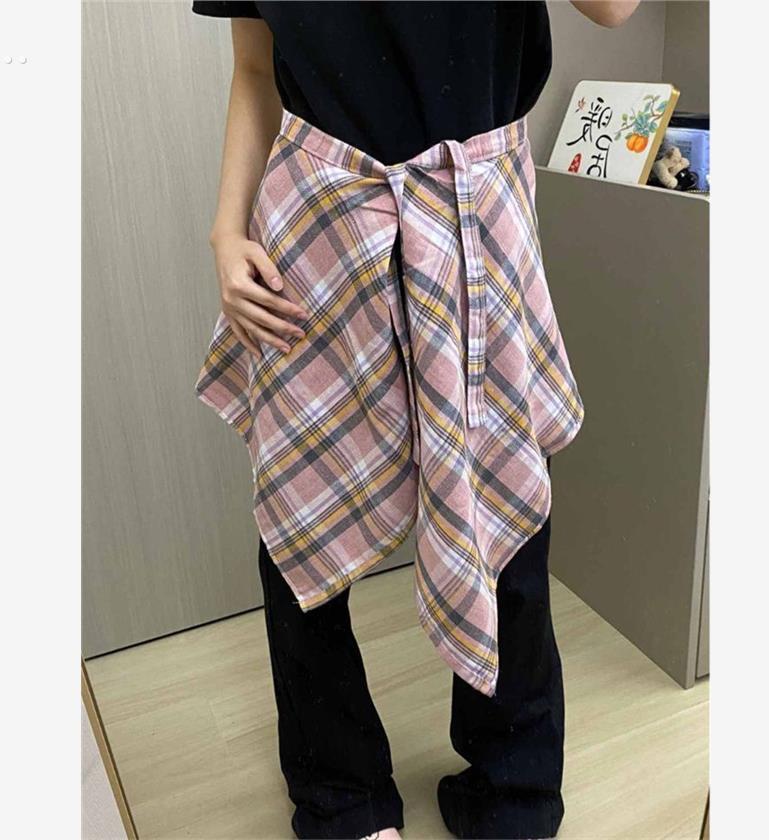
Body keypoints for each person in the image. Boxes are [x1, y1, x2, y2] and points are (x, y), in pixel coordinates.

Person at [191, 2, 640, 838]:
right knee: (301, 518)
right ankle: (340, 797)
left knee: (504, 511)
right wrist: (225, 230)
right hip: (318, 214)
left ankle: (512, 792)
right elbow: (255, 68)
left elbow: (614, 9)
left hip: (479, 211)